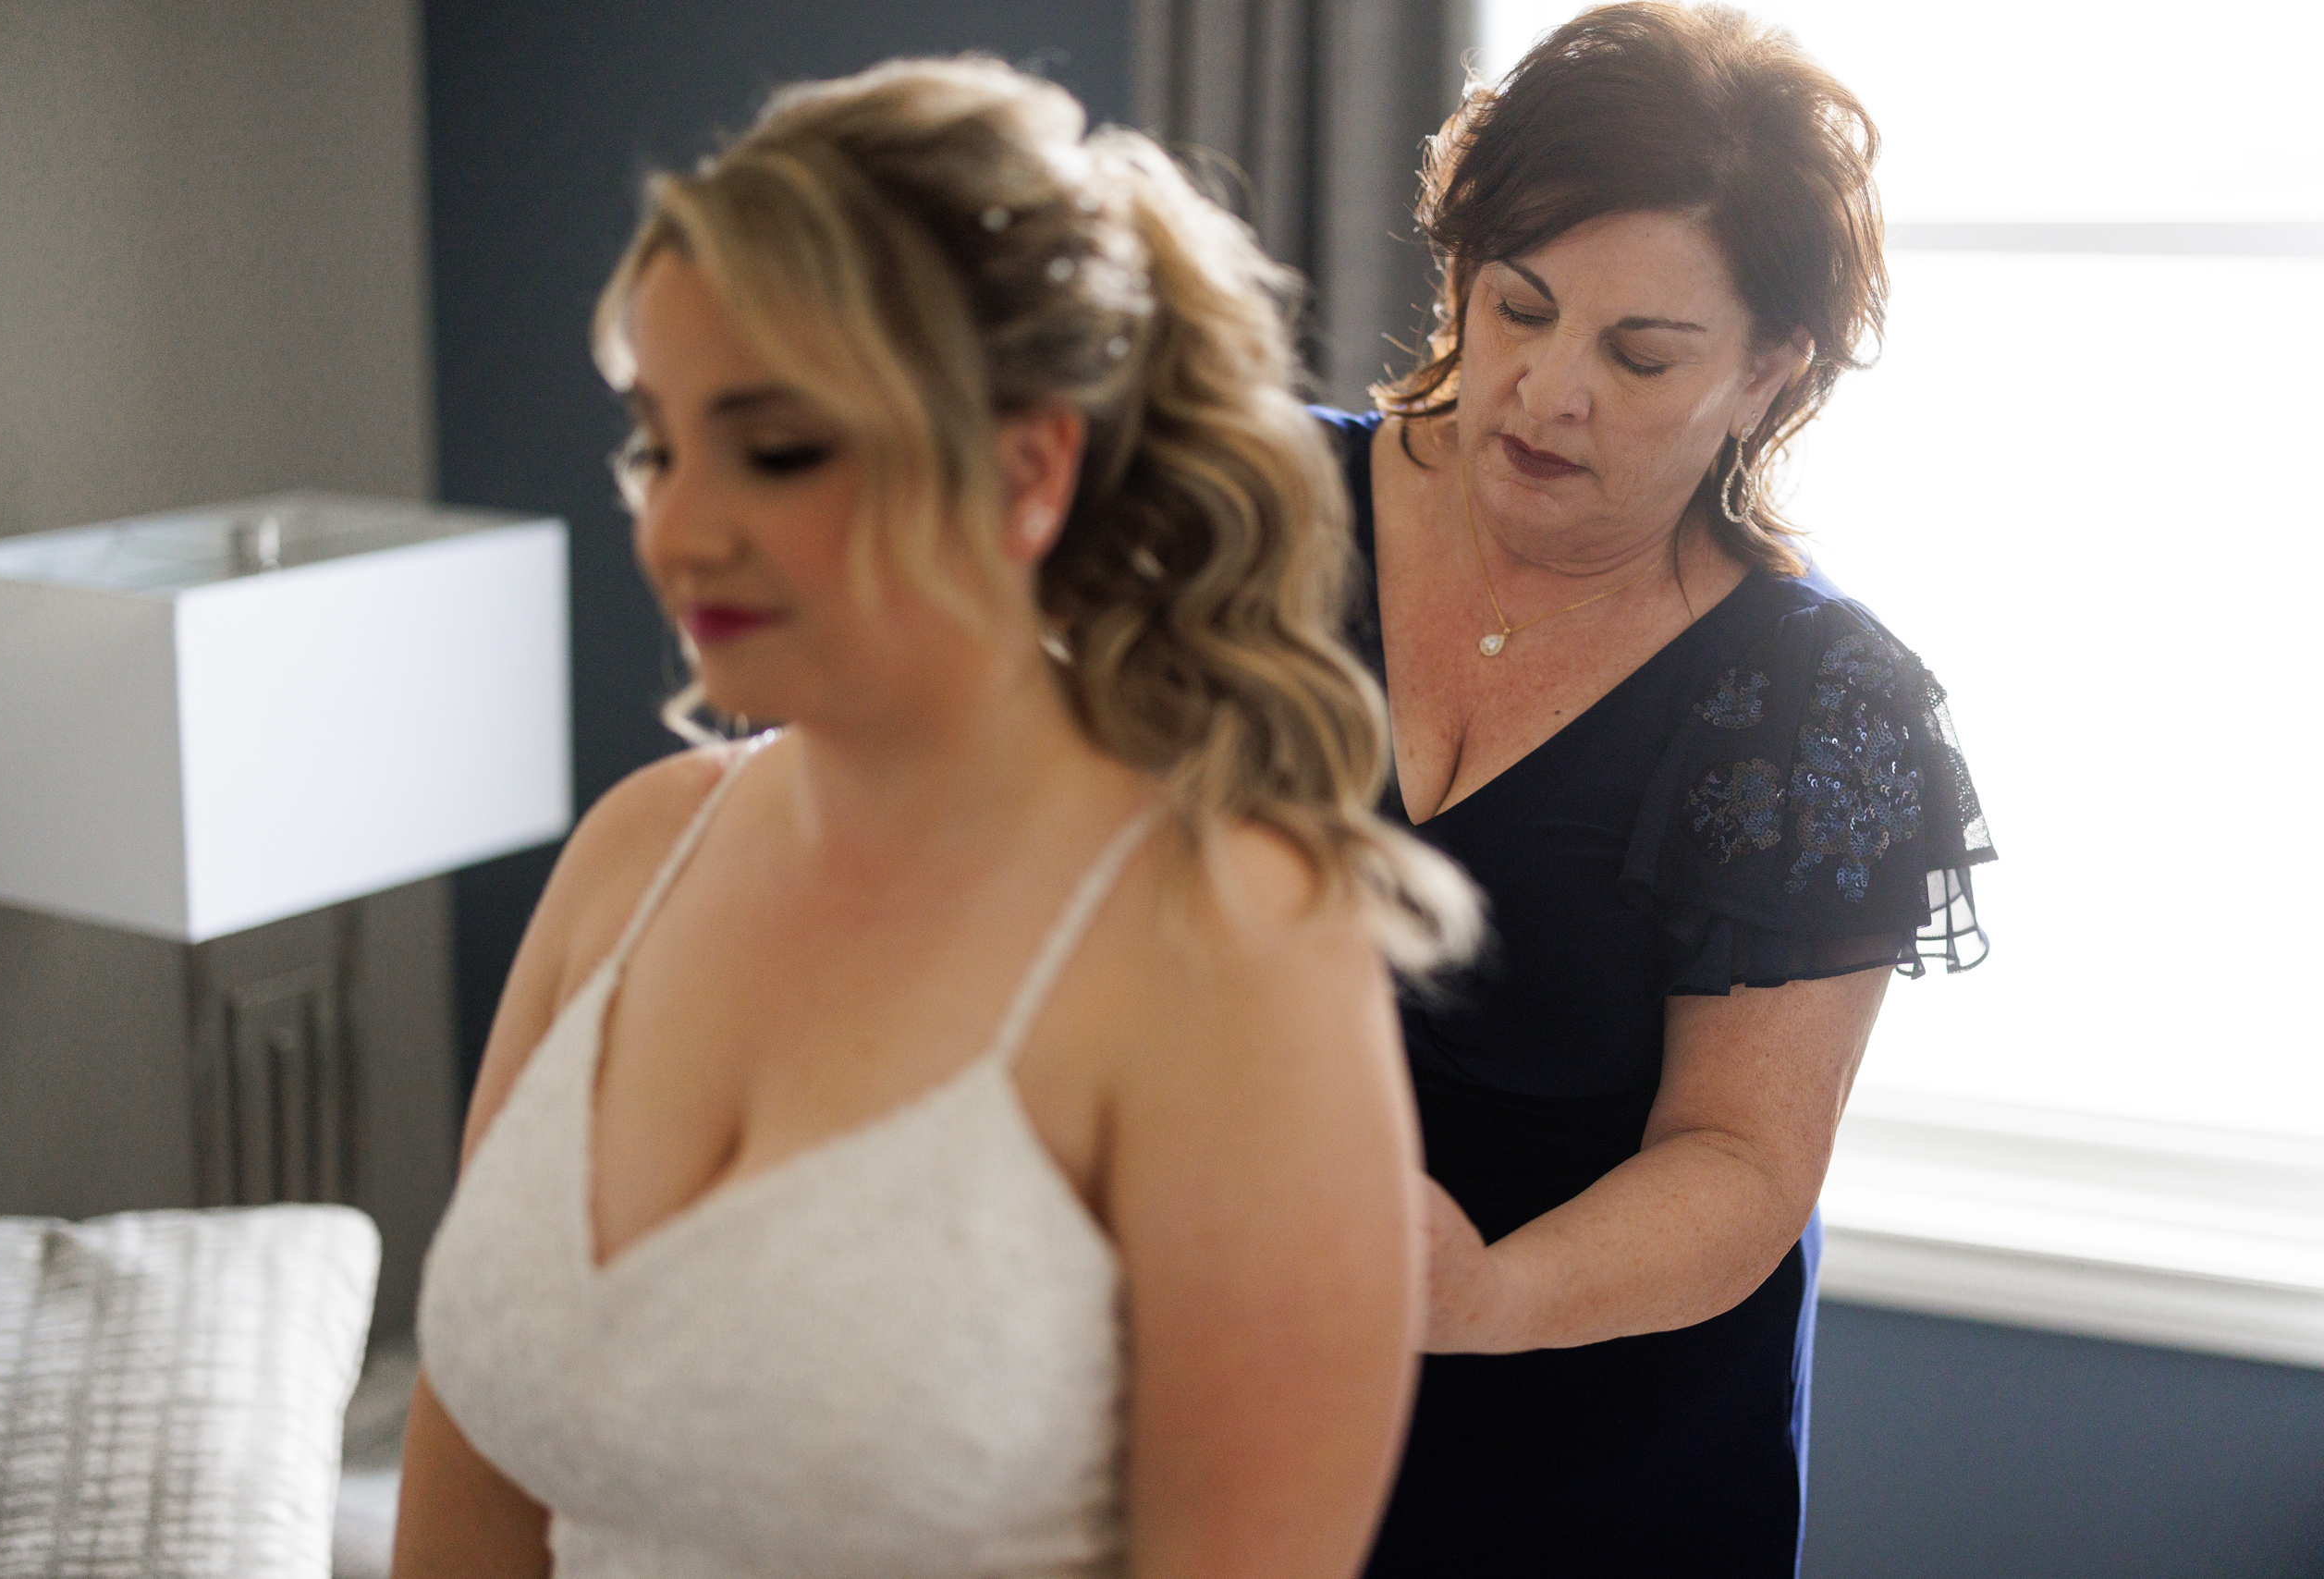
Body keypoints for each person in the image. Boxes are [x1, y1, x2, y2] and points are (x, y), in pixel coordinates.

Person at [391, 56, 1478, 1579]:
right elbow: (470, 1475)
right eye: (659, 441)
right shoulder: (634, 857)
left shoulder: (1231, 946)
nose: (676, 524)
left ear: (1028, 467)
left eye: (774, 448)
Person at [1317, 6, 1996, 1574]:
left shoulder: (1825, 702)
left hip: (1589, 1480)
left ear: (1769, 373)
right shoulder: (1243, 517)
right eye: (1517, 309)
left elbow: (1743, 1162)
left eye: (1641, 353)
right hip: (1208, 1410)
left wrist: (1482, 1299)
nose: (1550, 391)